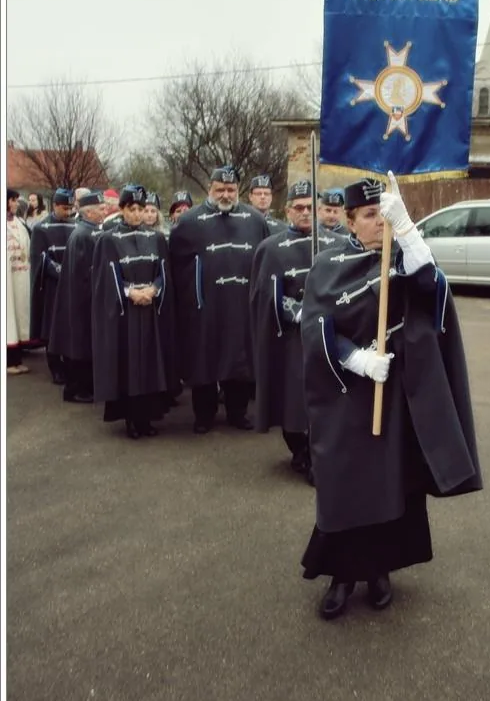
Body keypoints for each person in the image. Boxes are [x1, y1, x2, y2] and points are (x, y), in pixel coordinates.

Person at [300, 172, 483, 620]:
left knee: (390, 483)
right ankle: (342, 576)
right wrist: (357, 359)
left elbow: (434, 289)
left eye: (383, 214)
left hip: (396, 396)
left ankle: (380, 570)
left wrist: (406, 227)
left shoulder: (404, 256)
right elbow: (315, 326)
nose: (378, 222)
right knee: (346, 486)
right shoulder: (327, 264)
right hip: (348, 397)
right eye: (370, 215)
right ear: (349, 221)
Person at [169, 166, 269, 433]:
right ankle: (204, 415)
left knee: (240, 361)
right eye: (220, 189)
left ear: (238, 190)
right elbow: (175, 264)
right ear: (209, 189)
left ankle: (238, 412)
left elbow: (265, 261)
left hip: (242, 306)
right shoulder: (189, 222)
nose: (226, 195)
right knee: (204, 360)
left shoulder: (255, 220)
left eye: (231, 190)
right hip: (204, 307)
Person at [250, 180, 338, 481]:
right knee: (294, 400)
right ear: (287, 210)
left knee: (326, 397)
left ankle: (321, 456)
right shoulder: (270, 249)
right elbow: (265, 295)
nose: (305, 213)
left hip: (328, 335)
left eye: (311, 207)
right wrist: (300, 312)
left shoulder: (337, 244)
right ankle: (300, 450)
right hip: (292, 337)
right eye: (299, 207)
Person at [91, 184, 177, 438]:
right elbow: (105, 277)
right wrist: (130, 292)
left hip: (150, 310)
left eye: (141, 209)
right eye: (132, 209)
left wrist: (154, 289)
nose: (137, 214)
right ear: (122, 210)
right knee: (129, 365)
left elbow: (164, 271)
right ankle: (131, 418)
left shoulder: (156, 238)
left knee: (150, 364)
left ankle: (147, 418)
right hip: (125, 313)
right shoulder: (108, 239)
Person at [48, 190, 105, 403]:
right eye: (100, 209)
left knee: (83, 347)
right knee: (79, 348)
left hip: (82, 300)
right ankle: (76, 390)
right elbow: (85, 272)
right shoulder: (83, 235)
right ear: (89, 213)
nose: (104, 211)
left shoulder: (87, 232)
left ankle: (84, 387)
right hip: (81, 301)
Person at [29, 188, 76, 384]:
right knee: (52, 327)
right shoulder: (41, 229)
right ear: (55, 205)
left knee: (70, 326)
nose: (68, 212)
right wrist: (62, 273)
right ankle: (55, 366)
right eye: (65, 208)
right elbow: (41, 260)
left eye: (71, 208)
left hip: (72, 285)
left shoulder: (75, 225)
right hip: (52, 286)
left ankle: (70, 363)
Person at [7, 189, 34, 375]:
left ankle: (17, 360)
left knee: (18, 318)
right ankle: (9, 362)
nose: (17, 204)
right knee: (8, 320)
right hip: (7, 280)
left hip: (20, 276)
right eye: (14, 200)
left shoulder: (19, 223)